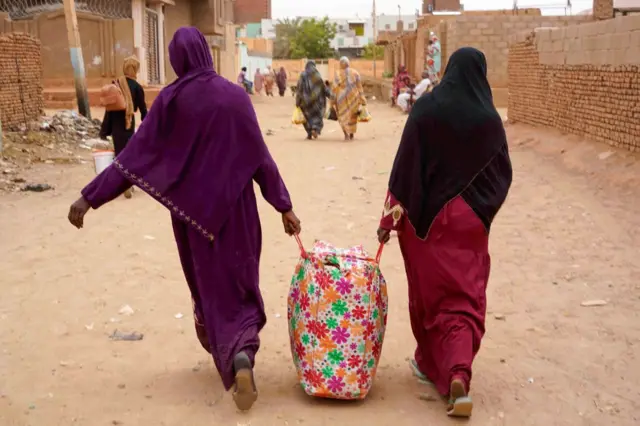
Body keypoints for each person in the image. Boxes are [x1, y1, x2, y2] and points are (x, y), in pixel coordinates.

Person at [67, 27, 301, 411]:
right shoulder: (235, 97)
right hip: (238, 212)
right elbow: (260, 157)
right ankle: (242, 351)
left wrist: (89, 197)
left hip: (194, 221)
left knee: (209, 286)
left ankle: (231, 352)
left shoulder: (170, 101)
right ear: (205, 53)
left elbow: (133, 158)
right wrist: (284, 206)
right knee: (240, 282)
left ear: (176, 59)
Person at [377, 47, 512, 418]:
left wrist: (388, 221)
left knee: (431, 297)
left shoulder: (426, 110)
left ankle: (429, 362)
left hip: (427, 224)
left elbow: (404, 171)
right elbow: (503, 175)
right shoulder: (489, 120)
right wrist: (482, 210)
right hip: (471, 224)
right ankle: (458, 373)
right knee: (464, 297)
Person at [99, 55, 147, 199]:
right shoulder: (137, 87)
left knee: (118, 155)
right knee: (129, 154)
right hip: (128, 123)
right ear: (136, 69)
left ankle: (119, 184)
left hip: (115, 125)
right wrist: (148, 125)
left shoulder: (115, 83)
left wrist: (104, 130)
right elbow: (142, 109)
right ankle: (128, 184)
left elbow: (108, 109)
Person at [332, 56, 366, 141]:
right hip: (353, 98)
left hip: (341, 99)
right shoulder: (355, 73)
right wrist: (362, 98)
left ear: (340, 64)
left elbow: (334, 88)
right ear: (348, 63)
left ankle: (346, 134)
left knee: (342, 116)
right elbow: (359, 86)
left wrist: (332, 101)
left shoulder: (337, 74)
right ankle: (351, 134)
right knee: (352, 116)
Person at [295, 61, 330, 140]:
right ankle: (315, 129)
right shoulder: (317, 75)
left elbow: (299, 89)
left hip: (305, 102)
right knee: (317, 117)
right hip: (317, 102)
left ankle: (309, 134)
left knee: (307, 117)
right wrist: (331, 96)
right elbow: (323, 88)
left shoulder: (303, 75)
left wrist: (297, 101)